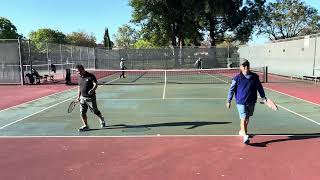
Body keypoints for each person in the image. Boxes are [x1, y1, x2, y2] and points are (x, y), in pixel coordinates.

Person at [226, 60, 267, 144]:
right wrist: (228, 100)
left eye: (247, 66)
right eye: (244, 66)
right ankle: (245, 136)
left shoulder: (255, 77)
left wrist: (263, 97)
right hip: (241, 101)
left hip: (251, 101)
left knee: (247, 118)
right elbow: (231, 89)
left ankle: (242, 130)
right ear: (241, 67)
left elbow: (260, 88)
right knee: (243, 117)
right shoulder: (236, 78)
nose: (246, 68)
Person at [75, 64, 106, 131]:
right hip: (82, 98)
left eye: (79, 71)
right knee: (82, 112)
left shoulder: (90, 76)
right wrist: (78, 96)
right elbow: (79, 87)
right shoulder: (79, 77)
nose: (78, 73)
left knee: (95, 111)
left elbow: (95, 84)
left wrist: (92, 89)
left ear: (83, 69)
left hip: (90, 98)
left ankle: (101, 118)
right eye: (77, 72)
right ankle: (86, 125)